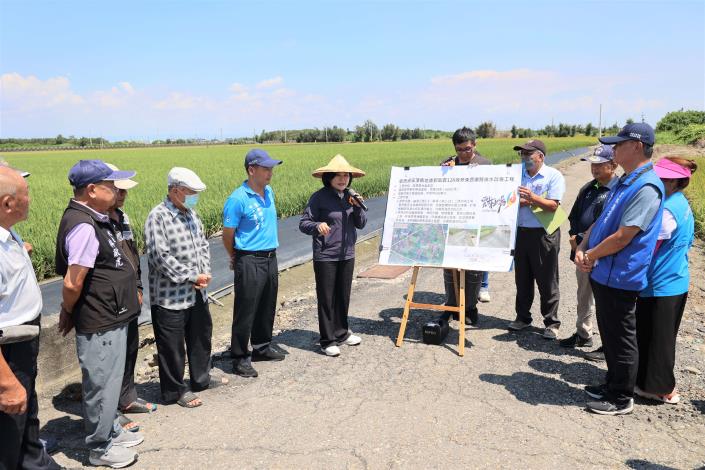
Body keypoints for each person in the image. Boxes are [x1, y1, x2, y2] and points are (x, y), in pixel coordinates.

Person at [55, 159, 143, 467]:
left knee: (111, 379)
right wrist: (68, 311)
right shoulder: (82, 224)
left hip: (112, 313)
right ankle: (99, 446)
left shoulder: (99, 217)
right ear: (92, 190)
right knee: (101, 382)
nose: (117, 191)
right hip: (99, 318)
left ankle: (112, 429)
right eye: (111, 185)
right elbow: (72, 281)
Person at [575, 122, 664, 416]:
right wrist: (584, 246)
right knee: (610, 333)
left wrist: (591, 254)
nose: (614, 149)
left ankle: (621, 397)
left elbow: (625, 235)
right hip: (605, 271)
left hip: (621, 274)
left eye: (619, 144)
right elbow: (602, 223)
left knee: (621, 337)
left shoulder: (647, 186)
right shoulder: (627, 181)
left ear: (636, 146)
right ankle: (611, 383)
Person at [144, 167, 226, 409]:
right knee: (172, 347)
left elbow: (203, 245)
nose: (193, 196)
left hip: (197, 291)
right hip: (171, 296)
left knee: (201, 336)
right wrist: (191, 276)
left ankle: (201, 379)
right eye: (190, 191)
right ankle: (174, 391)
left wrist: (204, 273)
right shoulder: (158, 217)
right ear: (175, 190)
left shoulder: (192, 214)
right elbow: (160, 257)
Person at [0, 166, 61, 470]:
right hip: (7, 348)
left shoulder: (8, 233)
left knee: (26, 410)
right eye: (25, 194)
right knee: (9, 421)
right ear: (7, 204)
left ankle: (34, 460)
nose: (31, 199)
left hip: (23, 340)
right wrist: (5, 382)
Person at [634, 157, 696, 404]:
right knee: (653, 333)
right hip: (674, 278)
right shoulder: (679, 202)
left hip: (662, 282)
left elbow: (648, 247)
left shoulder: (668, 209)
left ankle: (663, 389)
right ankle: (645, 382)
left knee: (659, 337)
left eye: (661, 178)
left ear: (673, 182)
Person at [223, 149, 285, 377]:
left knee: (267, 304)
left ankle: (262, 346)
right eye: (265, 168)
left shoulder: (268, 192)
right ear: (251, 170)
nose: (270, 173)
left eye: (271, 168)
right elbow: (228, 234)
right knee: (246, 309)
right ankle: (239, 356)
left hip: (270, 257)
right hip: (248, 258)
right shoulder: (238, 199)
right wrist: (235, 257)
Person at [104, 164, 157, 431]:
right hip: (107, 304)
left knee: (129, 349)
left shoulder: (121, 217)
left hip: (128, 297)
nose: (123, 195)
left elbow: (133, 255)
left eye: (125, 191)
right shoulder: (96, 221)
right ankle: (110, 411)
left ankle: (127, 398)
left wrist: (137, 286)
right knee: (110, 358)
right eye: (118, 190)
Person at [299, 155, 367, 356]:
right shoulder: (319, 197)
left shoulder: (350, 196)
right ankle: (327, 340)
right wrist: (317, 225)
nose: (342, 179)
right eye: (337, 175)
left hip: (347, 253)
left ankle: (342, 333)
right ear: (328, 177)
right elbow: (304, 223)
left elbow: (361, 223)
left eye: (345, 175)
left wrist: (357, 205)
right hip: (326, 255)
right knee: (327, 298)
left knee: (343, 296)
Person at [560, 145, 619, 349]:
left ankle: (609, 344)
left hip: (604, 254)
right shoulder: (587, 188)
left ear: (613, 165)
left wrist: (585, 239)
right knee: (583, 295)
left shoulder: (618, 191)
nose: (594, 168)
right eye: (592, 164)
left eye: (600, 164)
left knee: (606, 301)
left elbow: (610, 225)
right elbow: (574, 215)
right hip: (581, 253)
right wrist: (575, 237)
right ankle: (583, 333)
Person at [508, 139, 565, 339]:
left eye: (528, 154)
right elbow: (510, 200)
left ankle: (551, 322)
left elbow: (553, 205)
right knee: (522, 278)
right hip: (521, 232)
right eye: (521, 154)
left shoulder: (553, 176)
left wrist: (531, 198)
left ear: (540, 156)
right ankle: (522, 318)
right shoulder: (517, 176)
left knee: (547, 279)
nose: (524, 158)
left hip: (544, 234)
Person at [440, 127, 491, 325]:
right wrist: (445, 172)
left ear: (475, 145)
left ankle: (469, 306)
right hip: (452, 222)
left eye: (468, 149)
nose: (464, 153)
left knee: (473, 267)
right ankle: (452, 304)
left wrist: (480, 176)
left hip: (476, 223)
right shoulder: (447, 164)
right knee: (450, 265)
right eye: (460, 149)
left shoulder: (486, 164)